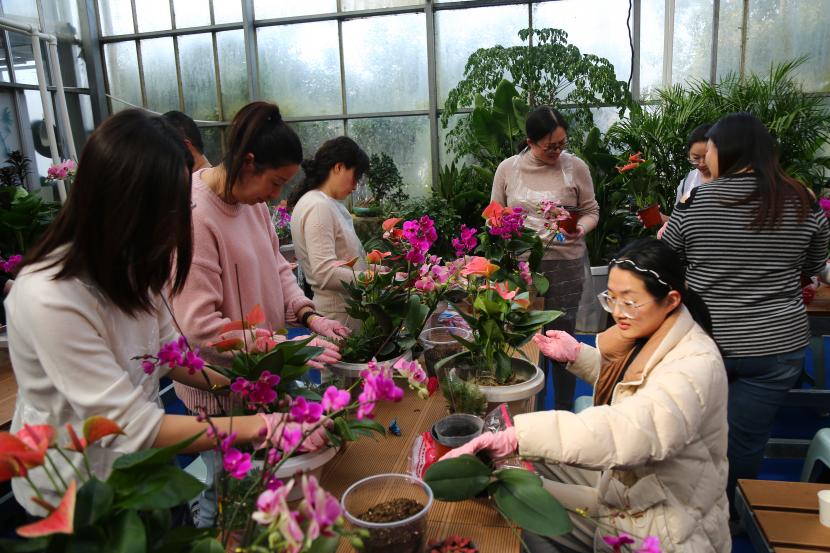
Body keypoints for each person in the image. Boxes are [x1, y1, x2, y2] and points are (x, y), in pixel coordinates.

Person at [5, 110, 326, 517]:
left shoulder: (133, 270)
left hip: (142, 471)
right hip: (73, 494)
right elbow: (131, 425)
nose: (176, 226)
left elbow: (175, 356)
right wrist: (263, 425)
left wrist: (249, 388)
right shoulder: (49, 296)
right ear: (121, 202)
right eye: (167, 211)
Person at [443, 238, 729, 552]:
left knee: (524, 504)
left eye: (629, 301)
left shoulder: (695, 367)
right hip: (634, 485)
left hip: (664, 526)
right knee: (514, 471)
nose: (617, 312)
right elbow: (638, 386)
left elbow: (630, 430)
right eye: (611, 298)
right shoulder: (659, 331)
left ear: (670, 300)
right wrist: (579, 356)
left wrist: (516, 436)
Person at [171, 101, 348, 527]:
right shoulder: (194, 215)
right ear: (248, 162)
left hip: (261, 379)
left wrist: (309, 317)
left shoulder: (252, 205)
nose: (275, 195)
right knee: (225, 499)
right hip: (219, 394)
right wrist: (285, 347)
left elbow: (278, 268)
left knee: (262, 493)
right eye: (275, 183)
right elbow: (199, 329)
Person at [661, 112, 829, 523]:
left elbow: (666, 260)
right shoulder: (802, 201)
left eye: (709, 150)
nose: (705, 159)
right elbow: (814, 265)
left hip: (705, 341)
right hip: (776, 345)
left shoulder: (696, 203)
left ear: (725, 151)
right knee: (746, 440)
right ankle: (731, 518)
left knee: (692, 432)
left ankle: (686, 513)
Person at [491, 106, 600, 411]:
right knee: (525, 341)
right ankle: (530, 409)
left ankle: (563, 410)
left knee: (563, 341)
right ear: (530, 141)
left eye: (562, 144)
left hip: (566, 266)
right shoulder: (508, 169)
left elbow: (591, 211)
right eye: (549, 146)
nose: (557, 151)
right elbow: (494, 215)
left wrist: (580, 228)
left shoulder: (575, 167)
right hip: (522, 269)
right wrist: (503, 234)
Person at [288, 137, 370, 331]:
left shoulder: (325, 203)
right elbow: (325, 273)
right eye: (355, 176)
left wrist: (380, 271)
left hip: (344, 314)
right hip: (338, 318)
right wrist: (374, 279)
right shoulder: (318, 206)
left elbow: (345, 261)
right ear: (338, 167)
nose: (355, 186)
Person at [653, 123, 714, 238]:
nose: (701, 163)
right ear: (689, 155)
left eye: (706, 157)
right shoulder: (687, 182)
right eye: (696, 158)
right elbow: (679, 221)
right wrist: (660, 218)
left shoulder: (731, 181)